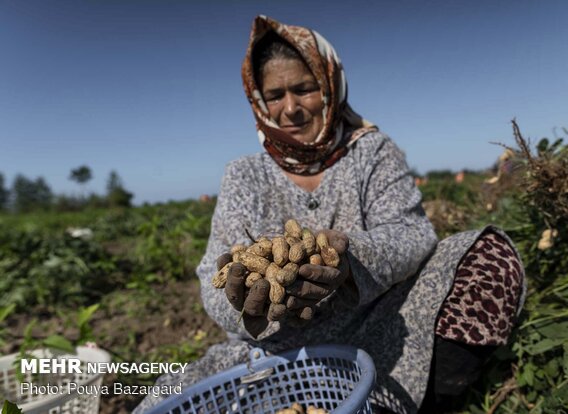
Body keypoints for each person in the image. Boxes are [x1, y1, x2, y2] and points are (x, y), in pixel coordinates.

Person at [133, 15, 525, 414]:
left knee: (484, 256)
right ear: (259, 101)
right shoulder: (244, 175)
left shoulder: (371, 152)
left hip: (376, 327)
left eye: (304, 89)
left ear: (329, 85)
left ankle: (406, 400)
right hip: (275, 350)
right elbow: (214, 278)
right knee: (168, 401)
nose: (291, 109)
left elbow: (411, 233)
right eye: (275, 95)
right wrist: (244, 305)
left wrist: (349, 260)